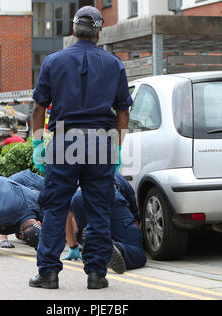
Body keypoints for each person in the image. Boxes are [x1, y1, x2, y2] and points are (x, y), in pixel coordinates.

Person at [29, 5, 132, 290]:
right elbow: (123, 111)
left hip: (64, 139)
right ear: (99, 32)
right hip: (101, 140)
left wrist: (39, 144)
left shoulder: (53, 61)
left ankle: (48, 273)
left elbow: (39, 108)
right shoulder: (114, 64)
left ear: (74, 30)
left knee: (55, 208)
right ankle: (96, 274)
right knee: (99, 210)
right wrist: (118, 147)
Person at [67, 173, 147, 273]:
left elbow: (66, 216)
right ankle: (116, 248)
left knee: (92, 231)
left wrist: (73, 247)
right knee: (138, 255)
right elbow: (134, 218)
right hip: (110, 195)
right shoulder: (116, 176)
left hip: (79, 198)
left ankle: (92, 246)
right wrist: (134, 237)